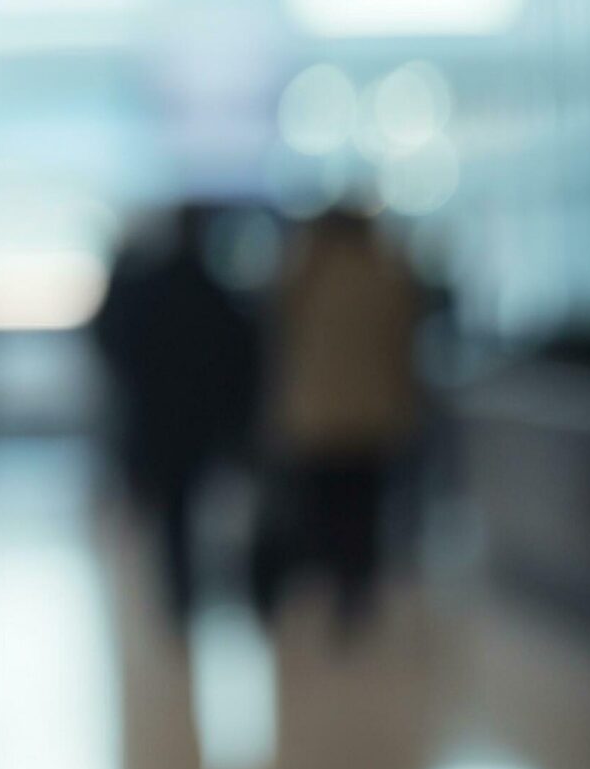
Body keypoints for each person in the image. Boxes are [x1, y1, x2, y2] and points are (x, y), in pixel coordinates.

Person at [251, 204, 422, 635]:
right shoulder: (384, 275)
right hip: (373, 416)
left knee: (318, 510)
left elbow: (277, 349)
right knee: (361, 512)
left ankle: (322, 587)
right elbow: (402, 348)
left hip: (315, 418)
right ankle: (354, 594)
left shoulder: (302, 276)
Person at [91, 204, 263, 631]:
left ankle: (181, 592)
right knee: (196, 504)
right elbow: (243, 359)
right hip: (202, 421)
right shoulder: (217, 292)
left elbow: (120, 345)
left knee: (173, 509)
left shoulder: (151, 288)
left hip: (159, 418)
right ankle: (194, 589)